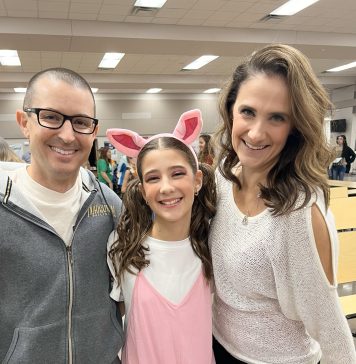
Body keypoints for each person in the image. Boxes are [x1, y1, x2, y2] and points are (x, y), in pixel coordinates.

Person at [209, 44, 356, 364]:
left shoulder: (300, 213)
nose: (256, 132)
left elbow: (332, 331)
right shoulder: (221, 178)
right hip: (216, 346)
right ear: (231, 110)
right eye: (248, 111)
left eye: (277, 118)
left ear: (294, 128)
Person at [0, 68, 123, 363]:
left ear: (94, 131)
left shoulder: (110, 207)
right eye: (52, 117)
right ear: (24, 122)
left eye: (80, 122)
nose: (67, 136)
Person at [106, 109, 216, 364]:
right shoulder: (122, 247)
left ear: (197, 180)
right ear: (143, 190)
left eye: (177, 173)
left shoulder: (212, 246)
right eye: (153, 178)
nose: (166, 187)